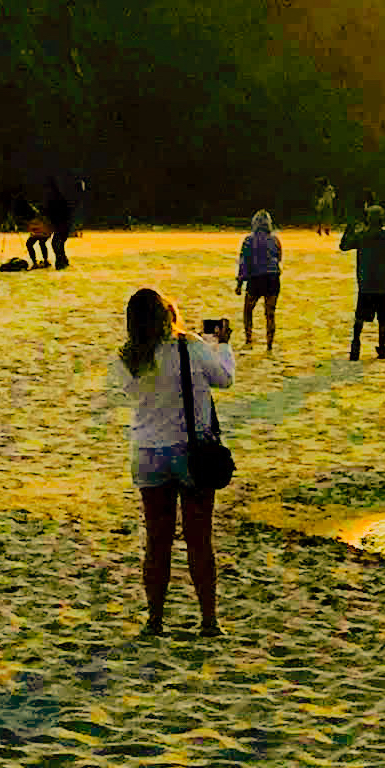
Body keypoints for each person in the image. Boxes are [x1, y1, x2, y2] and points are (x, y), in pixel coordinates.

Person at [112, 284, 234, 637]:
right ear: (167, 314)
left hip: (148, 452)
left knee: (157, 540)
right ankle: (209, 621)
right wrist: (223, 343)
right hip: (190, 451)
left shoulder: (127, 358)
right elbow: (224, 379)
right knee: (199, 540)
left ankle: (155, 619)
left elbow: (133, 394)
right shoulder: (191, 346)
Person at [341, 202, 385, 358]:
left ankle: (355, 344)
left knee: (360, 317)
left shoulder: (362, 236)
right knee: (383, 319)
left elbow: (344, 246)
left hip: (365, 283)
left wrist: (349, 229)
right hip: (384, 283)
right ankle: (381, 347)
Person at [235, 209, 284, 347]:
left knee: (248, 311)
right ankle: (269, 344)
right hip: (273, 278)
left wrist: (239, 283)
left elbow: (243, 263)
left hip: (256, 278)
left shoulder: (249, 240)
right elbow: (279, 258)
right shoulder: (275, 239)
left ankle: (249, 338)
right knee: (270, 314)